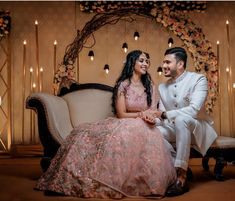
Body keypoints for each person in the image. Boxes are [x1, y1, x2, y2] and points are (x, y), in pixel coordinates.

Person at [35, 50, 176, 199]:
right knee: (85, 134)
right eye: (141, 60)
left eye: (147, 61)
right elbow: (121, 114)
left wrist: (149, 115)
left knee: (149, 138)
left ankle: (149, 185)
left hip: (146, 124)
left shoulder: (150, 86)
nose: (145, 64)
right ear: (132, 62)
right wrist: (141, 114)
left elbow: (153, 109)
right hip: (125, 122)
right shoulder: (123, 85)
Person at [153, 47, 218, 196]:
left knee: (182, 119)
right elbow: (163, 116)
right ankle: (179, 164)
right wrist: (153, 119)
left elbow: (194, 110)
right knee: (153, 130)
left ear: (180, 64)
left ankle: (181, 176)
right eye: (163, 62)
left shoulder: (198, 79)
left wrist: (163, 114)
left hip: (197, 128)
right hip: (175, 129)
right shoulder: (162, 87)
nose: (163, 66)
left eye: (168, 62)